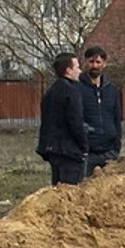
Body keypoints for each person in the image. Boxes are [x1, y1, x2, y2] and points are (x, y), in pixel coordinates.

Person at [36, 51, 88, 186]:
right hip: (70, 152)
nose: (80, 71)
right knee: (70, 192)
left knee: (57, 192)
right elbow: (75, 123)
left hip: (53, 151)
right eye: (77, 67)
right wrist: (84, 147)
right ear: (68, 70)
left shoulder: (51, 92)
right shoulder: (71, 92)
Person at [78, 45, 122, 173]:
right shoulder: (77, 88)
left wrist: (117, 146)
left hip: (110, 152)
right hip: (87, 153)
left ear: (104, 64)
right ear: (85, 62)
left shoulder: (112, 90)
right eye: (91, 61)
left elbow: (117, 118)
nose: (95, 65)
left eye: (98, 62)